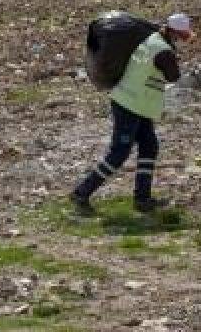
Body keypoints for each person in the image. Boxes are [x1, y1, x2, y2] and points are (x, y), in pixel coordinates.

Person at [71, 13, 191, 215]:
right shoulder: (163, 51)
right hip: (130, 104)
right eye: (183, 36)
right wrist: (174, 59)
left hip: (136, 103)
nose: (184, 41)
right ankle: (81, 193)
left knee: (149, 146)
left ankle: (142, 199)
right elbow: (173, 76)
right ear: (175, 33)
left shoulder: (152, 39)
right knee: (119, 153)